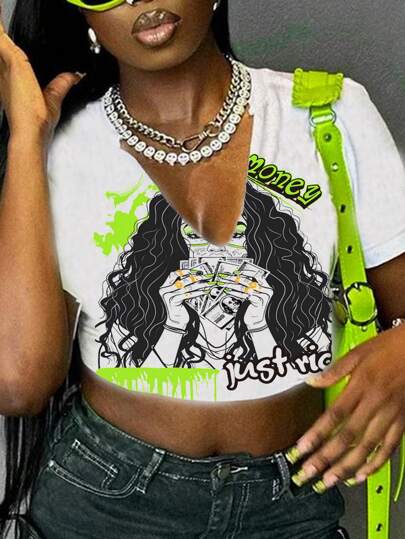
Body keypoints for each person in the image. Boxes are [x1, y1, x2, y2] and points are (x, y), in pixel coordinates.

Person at [1, 1, 405, 538]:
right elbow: (20, 383)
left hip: (292, 502)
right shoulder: (63, 144)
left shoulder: (329, 113)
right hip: (108, 499)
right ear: (81, 15)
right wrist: (26, 136)